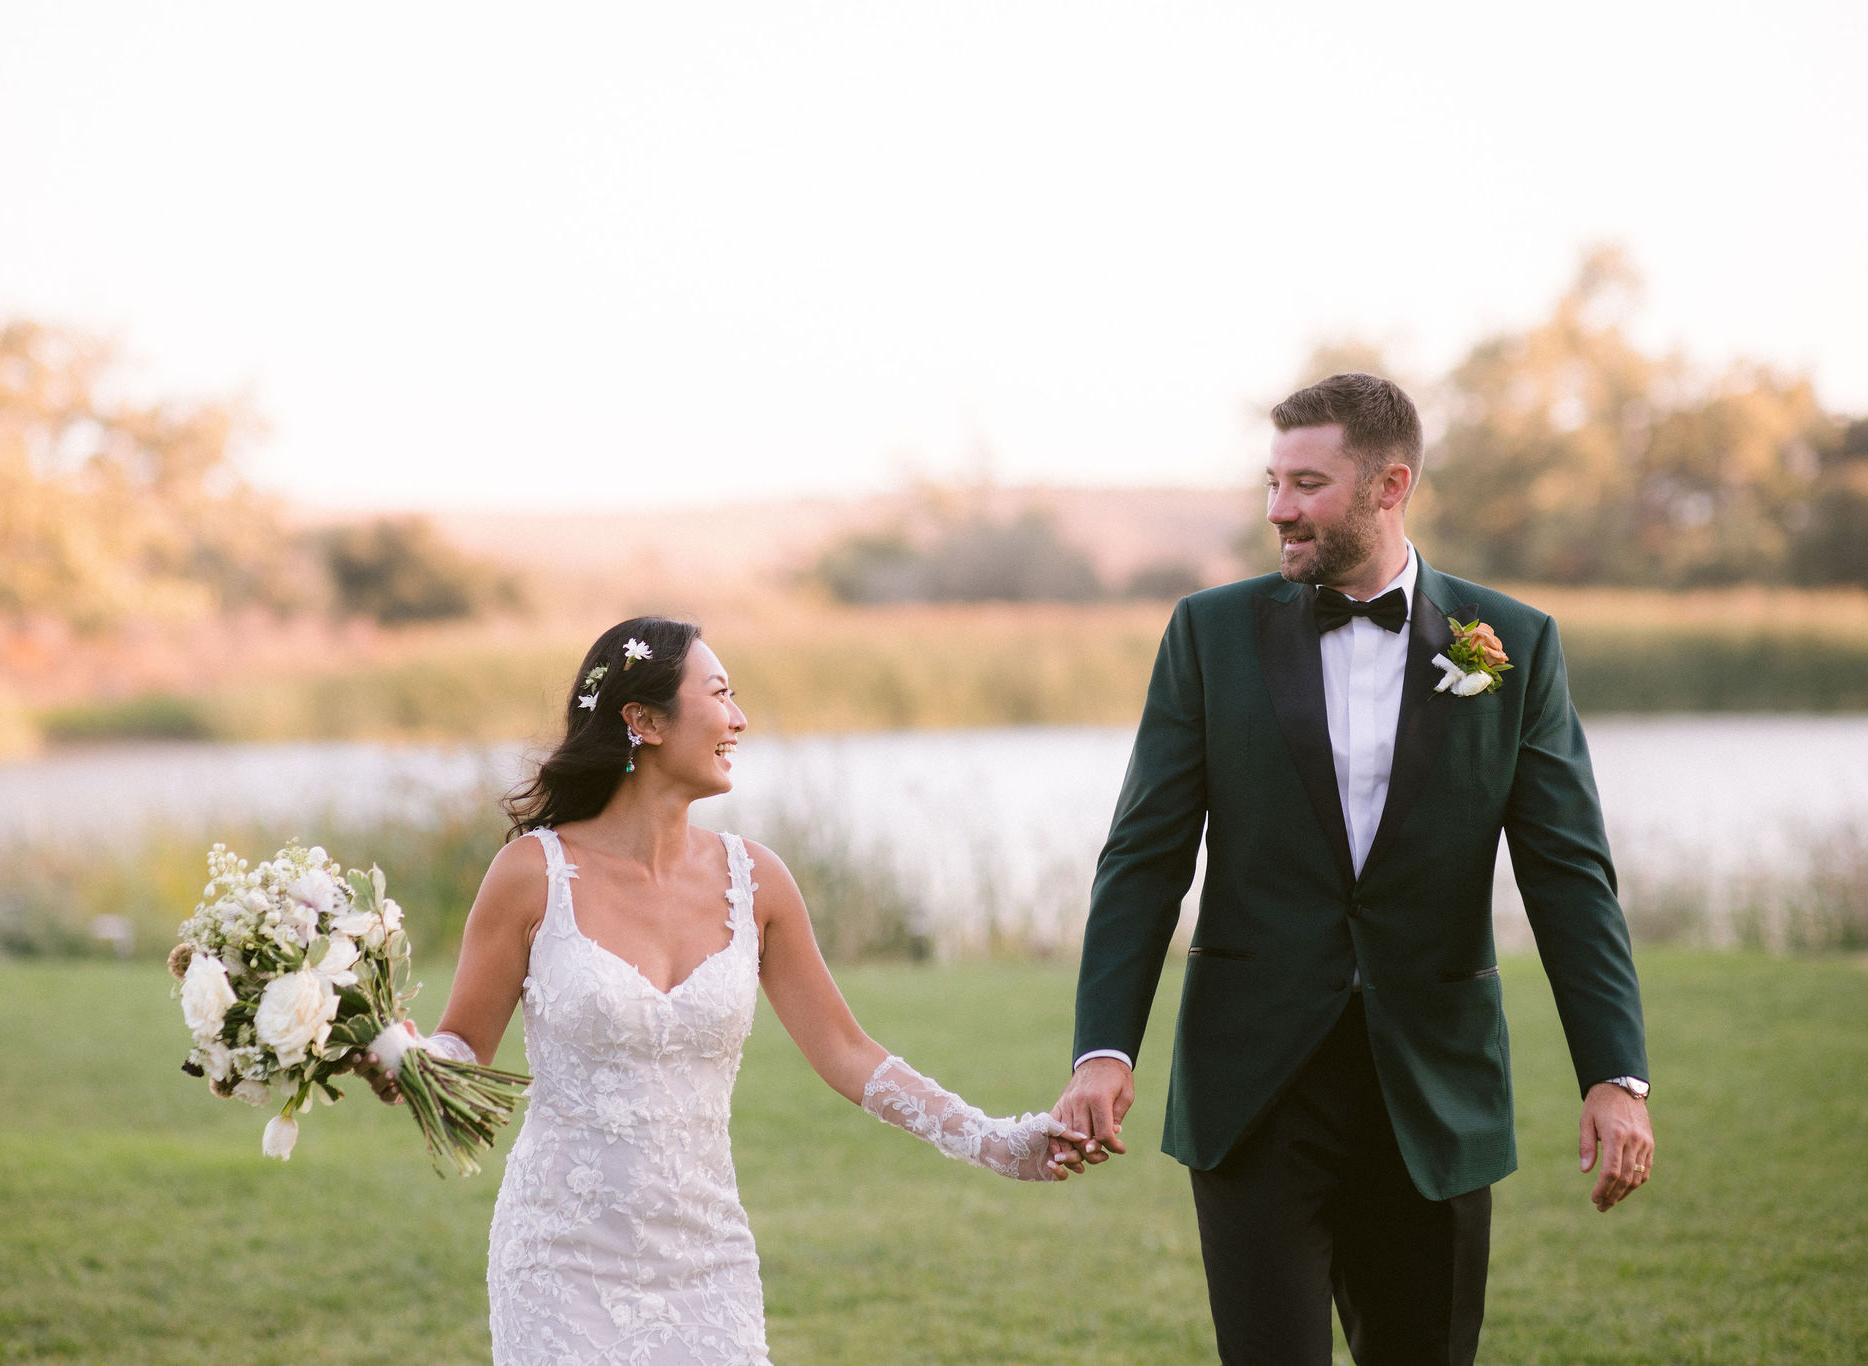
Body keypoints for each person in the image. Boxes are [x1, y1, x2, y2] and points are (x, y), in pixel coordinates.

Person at [1049, 373, 1655, 1365]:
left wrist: (1615, 1074)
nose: (1277, 509)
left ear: (1389, 486)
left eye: (1306, 484)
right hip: (1256, 1091)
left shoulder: (1507, 645)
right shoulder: (1209, 634)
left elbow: (1568, 877)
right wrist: (1103, 1050)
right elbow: (1143, 858)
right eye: (1272, 482)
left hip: (1433, 1087)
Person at [357, 617, 1077, 1366]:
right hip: (560, 1261)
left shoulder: (756, 880)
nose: (739, 718)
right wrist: (406, 1058)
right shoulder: (532, 874)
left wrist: (997, 1142)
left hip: (708, 1263)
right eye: (720, 694)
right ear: (643, 721)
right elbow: (464, 1046)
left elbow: (847, 1051)